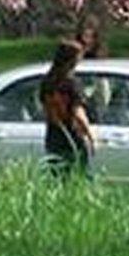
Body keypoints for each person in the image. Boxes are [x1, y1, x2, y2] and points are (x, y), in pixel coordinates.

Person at [40, 39, 95, 176]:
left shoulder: (47, 82)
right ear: (72, 59)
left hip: (54, 137)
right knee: (79, 176)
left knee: (58, 177)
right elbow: (78, 113)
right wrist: (90, 136)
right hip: (72, 137)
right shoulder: (71, 83)